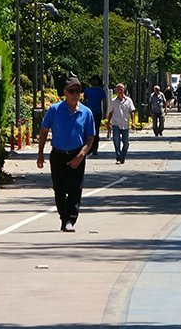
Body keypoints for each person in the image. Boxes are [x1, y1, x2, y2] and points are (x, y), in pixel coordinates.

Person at [37, 77, 95, 232]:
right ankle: (63, 218)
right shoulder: (55, 110)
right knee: (60, 189)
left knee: (75, 190)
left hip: (77, 155)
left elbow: (90, 138)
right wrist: (40, 154)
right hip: (58, 155)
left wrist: (81, 155)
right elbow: (43, 132)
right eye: (71, 91)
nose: (75, 94)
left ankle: (70, 220)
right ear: (65, 92)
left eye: (77, 91)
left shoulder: (86, 112)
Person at [106, 83, 136, 164]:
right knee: (116, 140)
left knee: (126, 143)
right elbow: (110, 113)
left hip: (125, 124)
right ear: (116, 90)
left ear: (124, 90)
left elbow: (132, 112)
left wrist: (133, 123)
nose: (119, 90)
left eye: (121, 89)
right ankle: (118, 157)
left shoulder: (129, 100)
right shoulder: (113, 101)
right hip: (116, 124)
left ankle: (123, 155)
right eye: (118, 89)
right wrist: (108, 123)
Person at [83, 75, 106, 155]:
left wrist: (105, 112)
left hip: (97, 113)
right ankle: (88, 148)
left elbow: (104, 101)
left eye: (95, 80)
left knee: (95, 132)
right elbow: (84, 101)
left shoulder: (101, 91)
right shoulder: (87, 90)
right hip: (89, 114)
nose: (94, 82)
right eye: (93, 80)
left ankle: (95, 148)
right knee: (88, 131)